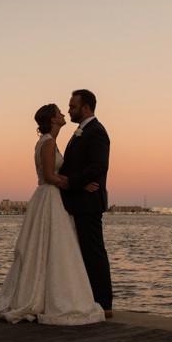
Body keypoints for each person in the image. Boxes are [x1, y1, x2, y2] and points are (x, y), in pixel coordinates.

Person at [0, 103, 105, 325]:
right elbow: (48, 176)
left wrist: (73, 182)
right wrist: (77, 185)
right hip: (49, 196)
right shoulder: (47, 142)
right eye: (59, 113)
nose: (64, 114)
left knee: (49, 247)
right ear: (53, 120)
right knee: (51, 245)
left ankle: (44, 292)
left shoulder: (49, 142)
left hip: (51, 197)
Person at [57, 89, 113, 317]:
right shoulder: (81, 132)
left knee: (93, 252)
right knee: (82, 253)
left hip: (88, 202)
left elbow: (99, 166)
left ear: (86, 107)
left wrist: (72, 182)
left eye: (72, 106)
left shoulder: (96, 132)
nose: (69, 110)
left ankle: (104, 303)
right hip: (79, 199)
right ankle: (89, 299)